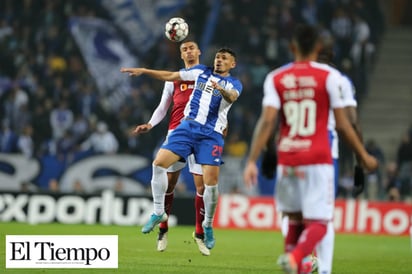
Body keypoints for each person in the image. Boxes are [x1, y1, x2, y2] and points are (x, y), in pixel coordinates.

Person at [243, 24, 377, 274]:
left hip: (288, 154)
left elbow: (267, 121)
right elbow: (348, 124)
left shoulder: (277, 77)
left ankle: (298, 262)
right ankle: (306, 261)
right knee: (322, 219)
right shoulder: (334, 79)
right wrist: (362, 158)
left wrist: (258, 157)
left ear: (292, 47)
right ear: (319, 48)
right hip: (322, 155)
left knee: (292, 218)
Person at [121, 47, 242, 252]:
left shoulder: (234, 83)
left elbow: (232, 97)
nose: (219, 60)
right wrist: (144, 70)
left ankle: (207, 225)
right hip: (186, 128)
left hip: (210, 135)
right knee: (158, 164)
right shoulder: (200, 72)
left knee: (209, 185)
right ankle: (159, 213)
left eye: (224, 59)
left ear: (233, 64)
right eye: (218, 57)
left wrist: (220, 89)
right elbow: (170, 76)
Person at [131, 40, 209, 255]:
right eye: (184, 49)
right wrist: (150, 123)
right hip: (177, 132)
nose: (189, 51)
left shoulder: (206, 76)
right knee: (170, 183)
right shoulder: (173, 80)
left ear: (199, 51)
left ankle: (199, 233)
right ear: (181, 55)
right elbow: (163, 106)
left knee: (202, 187)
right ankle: (163, 229)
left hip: (201, 133)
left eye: (192, 47)